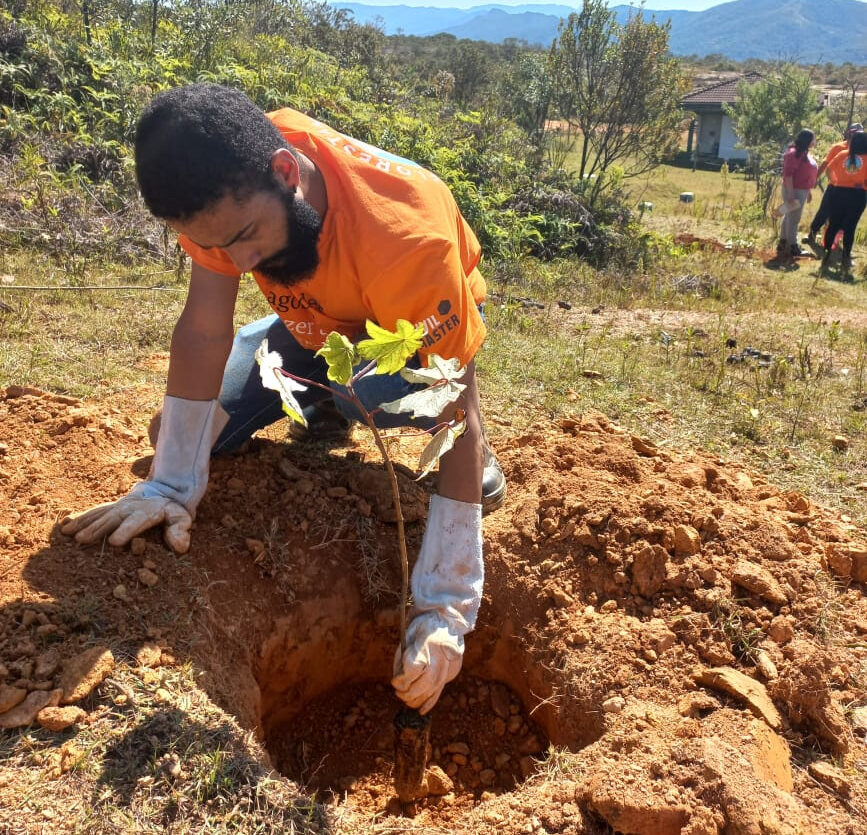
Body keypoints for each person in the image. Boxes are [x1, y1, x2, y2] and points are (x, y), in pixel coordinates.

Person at [60, 83, 508, 716]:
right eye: (216, 248)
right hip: (308, 325)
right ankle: (317, 395)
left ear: (284, 172)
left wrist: (447, 607)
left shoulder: (408, 240)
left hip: (404, 333)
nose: (238, 263)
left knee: (373, 399)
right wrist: (171, 483)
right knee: (177, 432)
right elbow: (203, 328)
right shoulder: (217, 179)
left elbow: (452, 400)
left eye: (246, 238)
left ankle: (361, 408)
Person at [805, 122, 864, 246]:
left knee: (846, 219)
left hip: (857, 191)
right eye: (853, 133)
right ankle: (812, 233)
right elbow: (826, 164)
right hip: (835, 187)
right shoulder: (838, 148)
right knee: (824, 211)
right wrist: (815, 178)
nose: (854, 137)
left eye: (858, 134)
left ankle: (835, 242)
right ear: (849, 134)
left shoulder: (864, 151)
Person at [820, 129, 867, 276]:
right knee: (850, 226)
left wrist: (835, 181)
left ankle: (827, 253)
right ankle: (846, 255)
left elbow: (828, 170)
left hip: (838, 192)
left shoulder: (842, 155)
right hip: (858, 195)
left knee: (834, 223)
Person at [777, 128, 817, 261]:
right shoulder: (793, 153)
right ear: (807, 140)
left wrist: (809, 191)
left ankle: (783, 243)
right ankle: (793, 246)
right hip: (794, 190)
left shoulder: (804, 152)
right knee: (794, 218)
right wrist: (790, 194)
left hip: (802, 190)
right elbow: (788, 175)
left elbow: (804, 173)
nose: (815, 141)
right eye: (813, 138)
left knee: (789, 215)